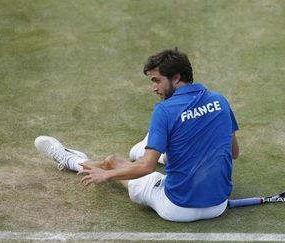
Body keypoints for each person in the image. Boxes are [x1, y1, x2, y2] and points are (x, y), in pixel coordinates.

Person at [34, 48, 239, 222]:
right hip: (218, 206)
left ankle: (71, 159)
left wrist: (107, 175)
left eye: (157, 81)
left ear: (176, 78)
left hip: (177, 208)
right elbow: (234, 152)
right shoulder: (219, 101)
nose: (153, 88)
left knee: (113, 161)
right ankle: (155, 148)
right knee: (187, 139)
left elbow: (146, 167)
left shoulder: (165, 110)